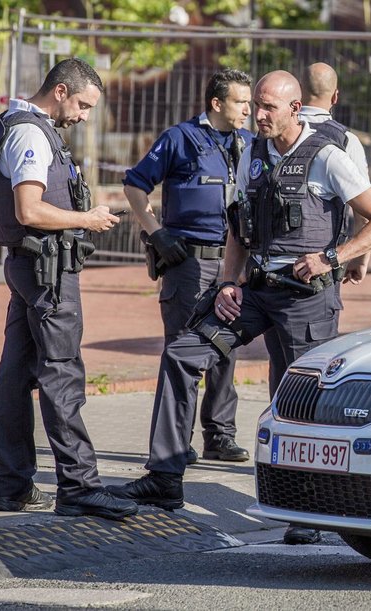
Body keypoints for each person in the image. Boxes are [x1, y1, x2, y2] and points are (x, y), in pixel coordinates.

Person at [106, 70, 371, 523]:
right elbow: (239, 226)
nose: (257, 115)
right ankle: (164, 476)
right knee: (184, 353)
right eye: (255, 105)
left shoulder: (328, 156)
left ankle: (308, 510)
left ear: (295, 109)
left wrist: (333, 258)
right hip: (256, 293)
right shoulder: (253, 153)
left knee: (304, 396)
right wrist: (228, 282)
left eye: (267, 108)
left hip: (306, 298)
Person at [0, 58, 138, 520]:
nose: (85, 116)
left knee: (15, 377)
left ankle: (13, 486)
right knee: (62, 374)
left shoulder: (14, 122)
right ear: (61, 92)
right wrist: (87, 219)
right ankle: (79, 486)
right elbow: (29, 209)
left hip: (30, 267)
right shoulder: (30, 132)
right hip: (46, 272)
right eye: (84, 105)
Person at [123, 68, 254, 464]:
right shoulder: (180, 139)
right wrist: (156, 232)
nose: (248, 109)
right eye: (241, 102)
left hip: (232, 263)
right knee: (183, 350)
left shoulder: (250, 142)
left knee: (226, 347)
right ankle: (177, 444)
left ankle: (220, 435)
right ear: (217, 103)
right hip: (189, 263)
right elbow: (135, 184)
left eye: (250, 102)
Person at [262, 62, 371, 399]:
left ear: (299, 96)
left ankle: (279, 420)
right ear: (335, 96)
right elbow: (364, 207)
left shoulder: (268, 136)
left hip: (269, 267)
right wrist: (357, 259)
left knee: (280, 359)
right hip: (321, 265)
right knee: (313, 361)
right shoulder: (344, 139)